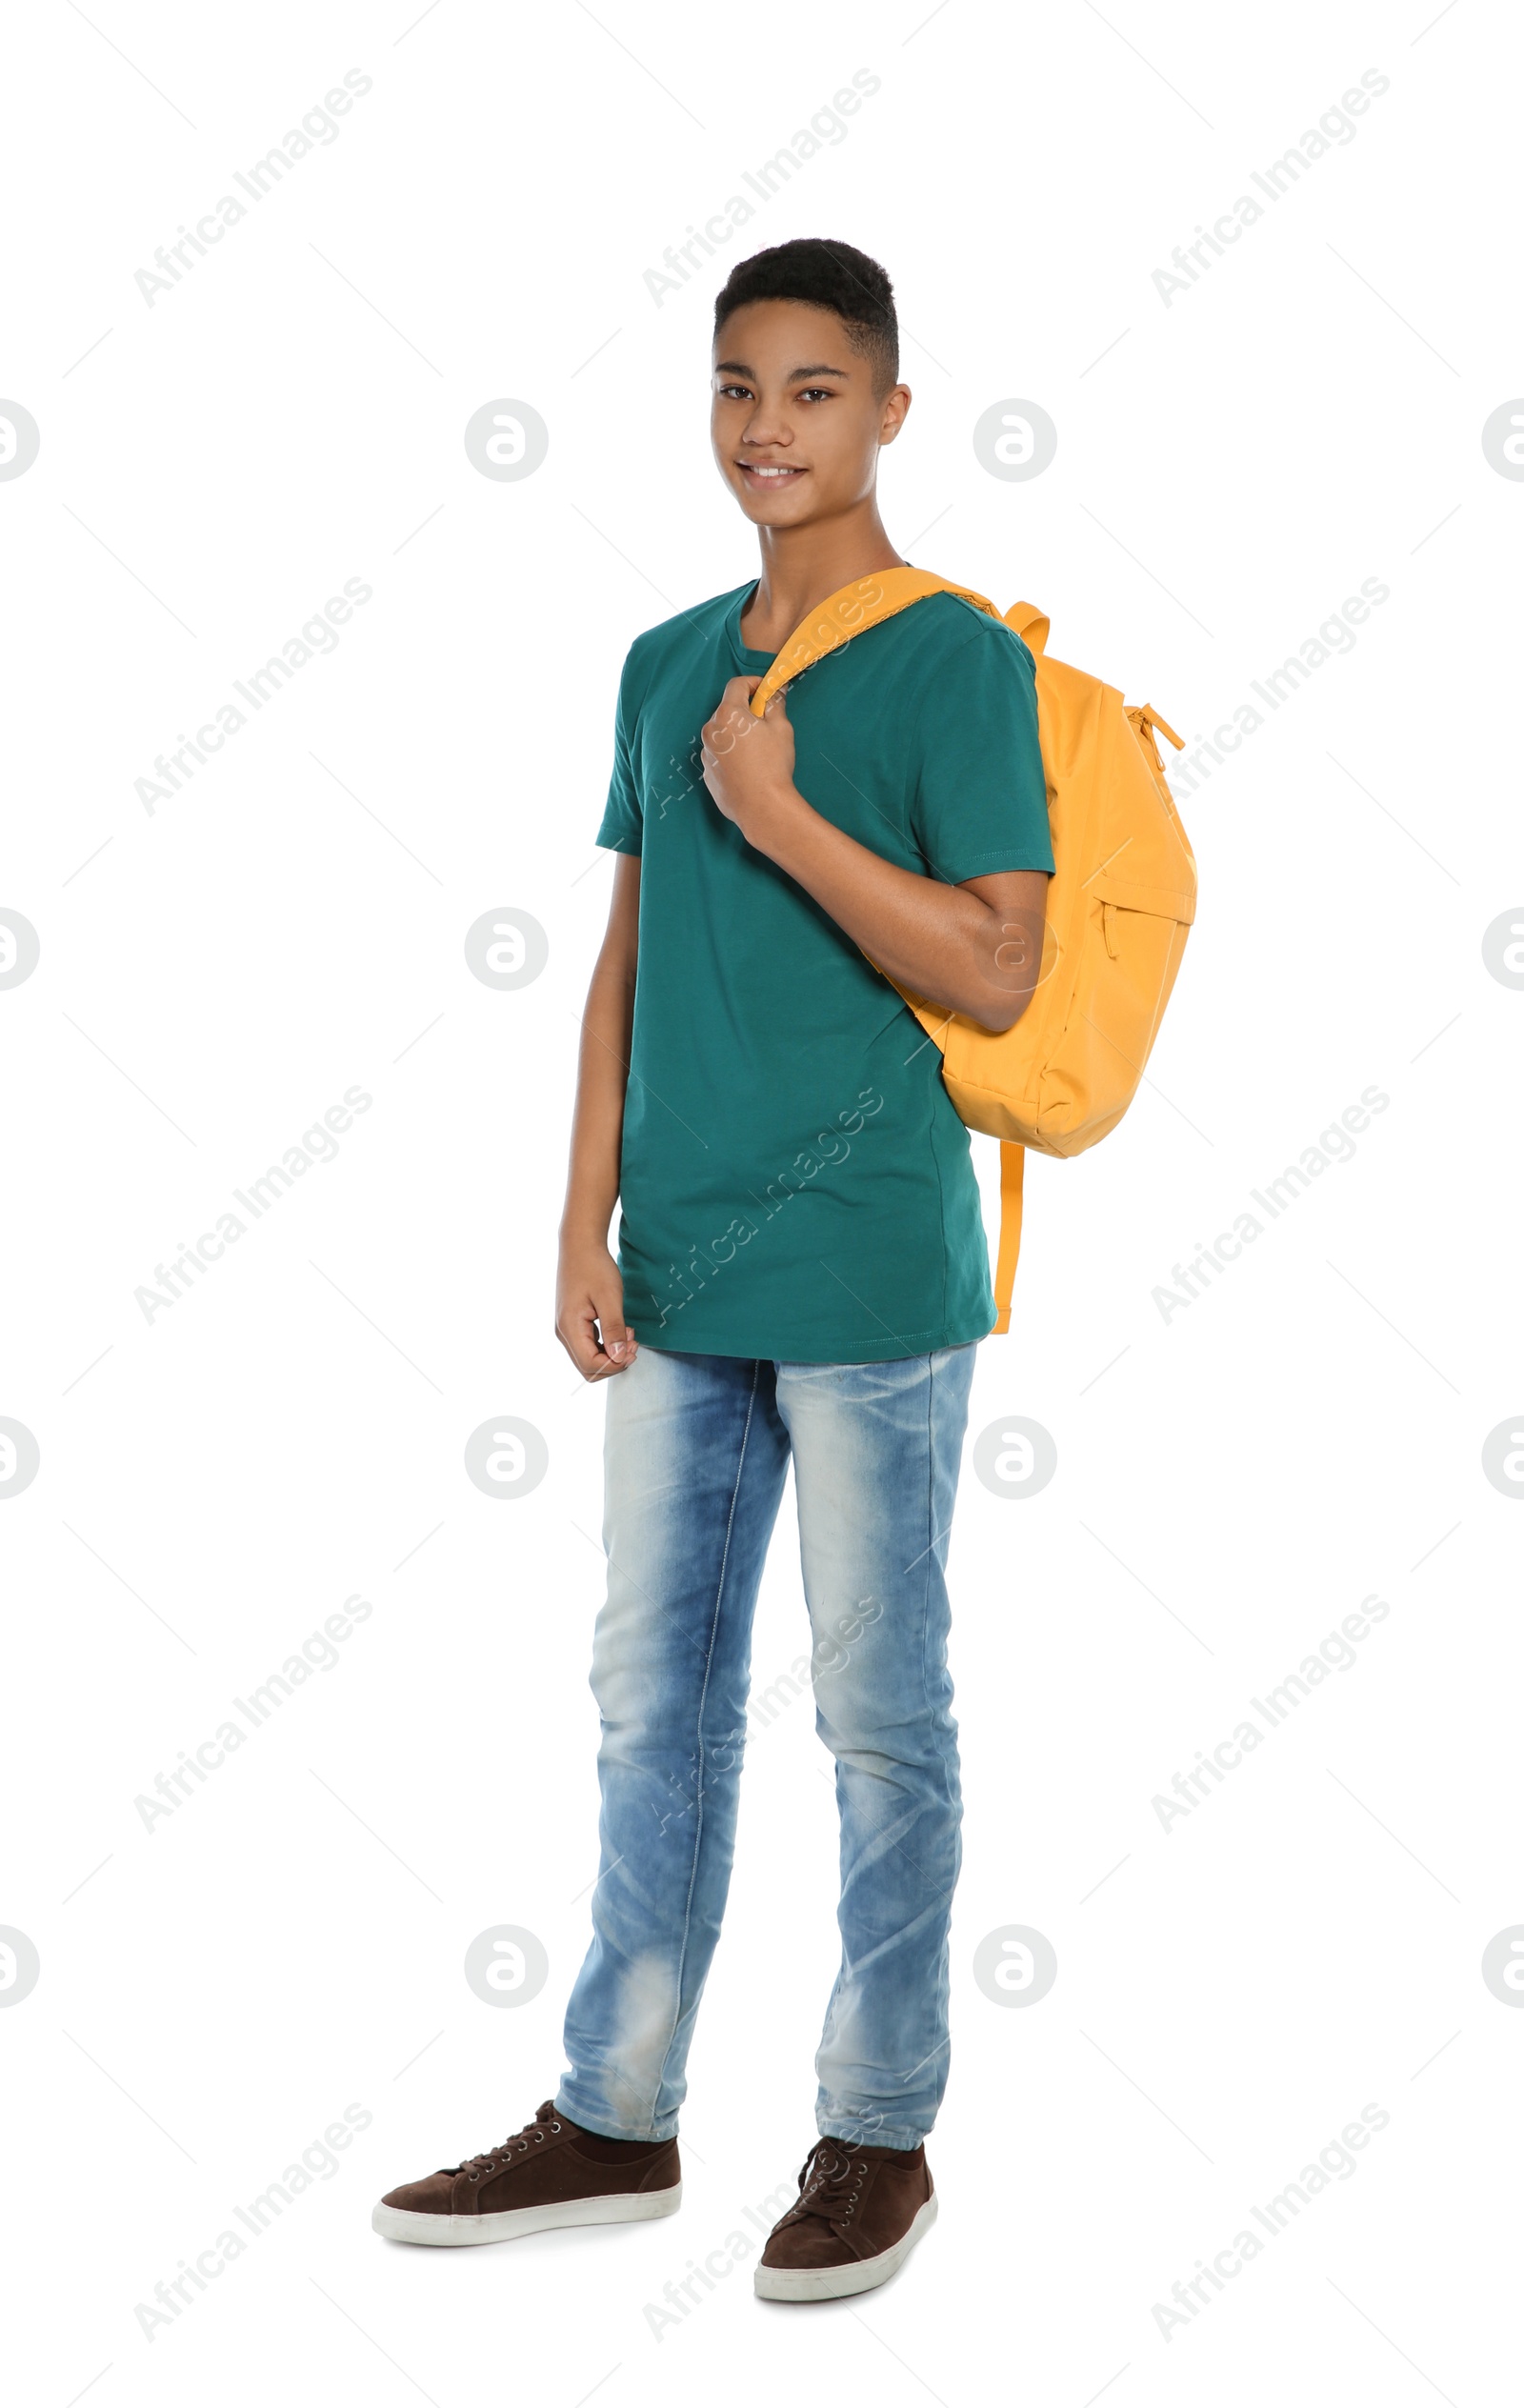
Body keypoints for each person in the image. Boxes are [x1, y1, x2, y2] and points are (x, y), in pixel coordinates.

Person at [373, 236, 1053, 2302]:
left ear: (892, 413)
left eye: (816, 390)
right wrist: (575, 1214)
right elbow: (626, 959)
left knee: (878, 1712)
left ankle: (875, 2134)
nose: (770, 428)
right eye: (739, 386)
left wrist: (778, 813)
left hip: (863, 1276)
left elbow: (994, 959)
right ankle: (616, 2108)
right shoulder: (666, 658)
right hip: (674, 1275)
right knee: (648, 1706)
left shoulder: (948, 666)